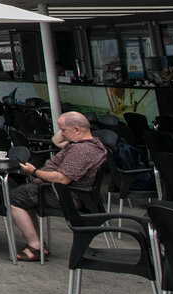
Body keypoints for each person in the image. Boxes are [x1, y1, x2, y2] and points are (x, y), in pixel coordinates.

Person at [8, 111, 109, 261]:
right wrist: (66, 125)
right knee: (22, 197)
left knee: (12, 198)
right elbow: (56, 140)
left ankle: (35, 246)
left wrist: (34, 172)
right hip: (57, 189)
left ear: (77, 130)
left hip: (64, 195)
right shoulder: (86, 143)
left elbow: (61, 179)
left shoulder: (83, 151)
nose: (61, 133)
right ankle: (37, 242)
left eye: (64, 130)